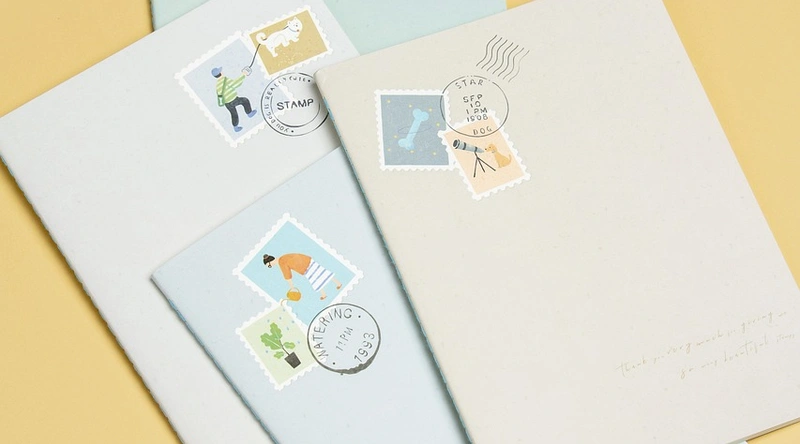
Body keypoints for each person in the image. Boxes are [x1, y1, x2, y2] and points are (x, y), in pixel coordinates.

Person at [263, 253, 342, 300]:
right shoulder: (283, 257)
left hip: (305, 267)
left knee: (315, 279)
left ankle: (324, 294)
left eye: (269, 265)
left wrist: (292, 287)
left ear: (270, 261)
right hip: (307, 261)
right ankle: (337, 284)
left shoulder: (281, 262)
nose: (271, 266)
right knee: (322, 273)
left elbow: (287, 275)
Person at [212, 67, 258, 133]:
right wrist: (243, 75)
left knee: (234, 114)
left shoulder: (217, 84)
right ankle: (249, 113)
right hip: (233, 99)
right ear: (221, 73)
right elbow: (236, 84)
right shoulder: (225, 80)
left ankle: (235, 127)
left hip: (227, 103)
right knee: (245, 100)